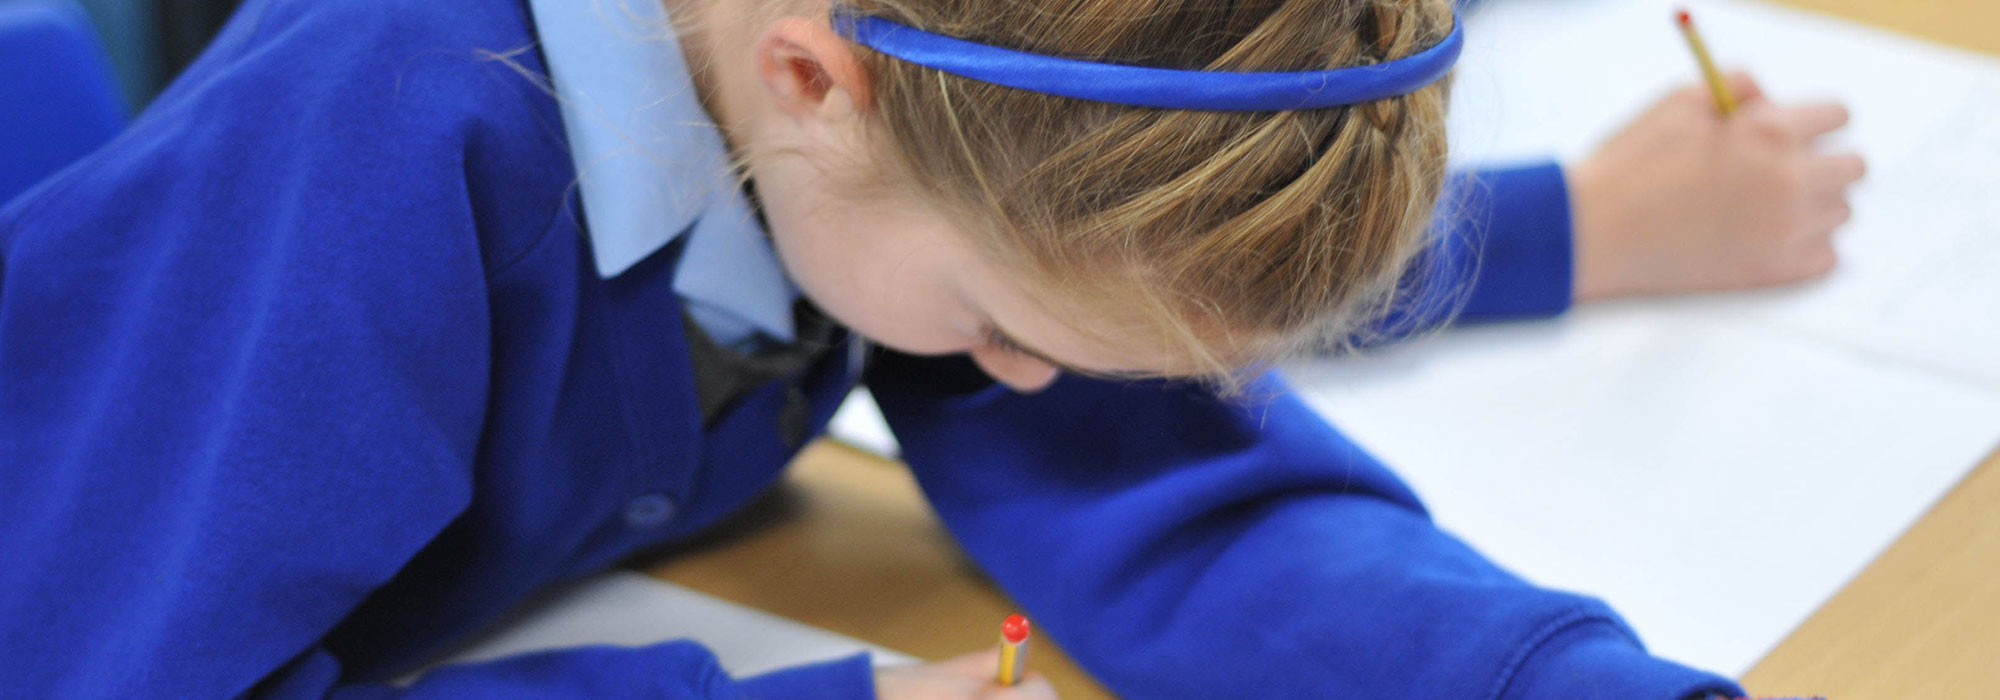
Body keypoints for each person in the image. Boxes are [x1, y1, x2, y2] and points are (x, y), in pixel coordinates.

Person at [0, 0, 1863, 697]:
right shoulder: (376, 164)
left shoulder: (897, 141)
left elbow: (1177, 491)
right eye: (1001, 334)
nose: (1019, 383)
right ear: (818, 79)